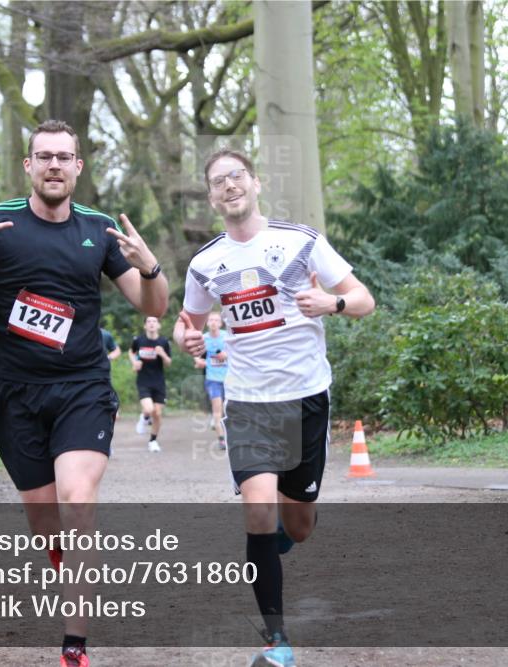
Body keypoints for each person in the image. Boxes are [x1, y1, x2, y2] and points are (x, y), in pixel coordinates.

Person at [0, 119, 167, 667]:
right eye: (45, 157)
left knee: (76, 503)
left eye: (65, 157)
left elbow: (153, 307)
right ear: (29, 166)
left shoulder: (101, 231)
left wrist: (149, 265)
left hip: (82, 388)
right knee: (46, 526)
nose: (55, 165)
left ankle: (74, 645)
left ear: (78, 167)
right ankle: (76, 578)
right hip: (15, 394)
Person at [173, 148, 375, 667]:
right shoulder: (204, 263)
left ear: (256, 183)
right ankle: (276, 641)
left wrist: (330, 303)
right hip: (249, 401)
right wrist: (187, 340)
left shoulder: (300, 241)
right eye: (218, 181)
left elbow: (363, 298)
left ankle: (286, 533)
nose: (229, 186)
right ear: (212, 196)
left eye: (236, 176)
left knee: (298, 526)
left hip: (306, 395)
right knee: (257, 509)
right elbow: (186, 323)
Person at [130, 316, 171, 452]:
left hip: (159, 382)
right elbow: (131, 352)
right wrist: (135, 362)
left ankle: (153, 441)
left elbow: (168, 363)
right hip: (143, 381)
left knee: (157, 414)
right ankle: (145, 416)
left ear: (159, 325)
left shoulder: (163, 341)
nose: (152, 324)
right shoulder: (138, 340)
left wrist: (163, 354)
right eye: (149, 322)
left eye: (154, 321)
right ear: (145, 326)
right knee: (149, 409)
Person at [193, 311, 228, 450]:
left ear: (220, 323)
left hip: (229, 380)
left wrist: (227, 354)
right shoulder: (203, 338)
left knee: (228, 410)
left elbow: (238, 352)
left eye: (216, 320)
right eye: (211, 320)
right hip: (212, 380)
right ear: (207, 323)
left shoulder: (227, 337)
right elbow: (195, 354)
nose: (213, 322)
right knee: (217, 410)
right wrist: (198, 361)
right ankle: (221, 440)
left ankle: (221, 426)